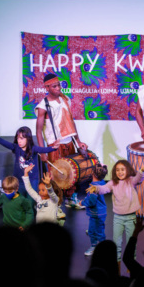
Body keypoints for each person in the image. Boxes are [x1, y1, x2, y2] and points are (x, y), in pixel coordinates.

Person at [35, 72, 88, 209]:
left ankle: (70, 199)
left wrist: (78, 140)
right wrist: (42, 151)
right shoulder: (43, 106)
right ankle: (55, 205)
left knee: (71, 174)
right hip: (54, 146)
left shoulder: (65, 99)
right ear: (47, 88)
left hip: (69, 142)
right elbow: (38, 131)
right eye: (54, 86)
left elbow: (71, 122)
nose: (58, 88)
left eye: (59, 85)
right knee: (56, 176)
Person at [87, 160, 144, 263]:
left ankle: (131, 267)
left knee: (131, 244)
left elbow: (139, 178)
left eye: (122, 170)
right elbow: (104, 188)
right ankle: (117, 267)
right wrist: (96, 188)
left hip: (131, 218)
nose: (120, 172)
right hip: (118, 218)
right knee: (116, 244)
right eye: (117, 170)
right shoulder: (112, 183)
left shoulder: (131, 181)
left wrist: (142, 171)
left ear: (128, 170)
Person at [0, 125, 58, 207]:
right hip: (19, 180)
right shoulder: (16, 148)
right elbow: (4, 142)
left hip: (32, 180)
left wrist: (54, 148)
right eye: (18, 138)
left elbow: (44, 149)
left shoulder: (34, 148)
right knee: (20, 203)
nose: (19, 140)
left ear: (28, 139)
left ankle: (30, 218)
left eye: (22, 138)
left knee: (30, 203)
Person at [79, 163, 108, 256]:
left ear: (93, 174)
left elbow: (91, 201)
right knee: (100, 228)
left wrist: (82, 202)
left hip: (96, 213)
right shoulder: (102, 182)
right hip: (101, 212)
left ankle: (94, 246)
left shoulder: (93, 187)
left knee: (94, 231)